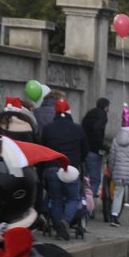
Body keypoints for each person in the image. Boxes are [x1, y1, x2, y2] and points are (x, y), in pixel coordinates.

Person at [41, 99, 90, 239]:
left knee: (55, 198)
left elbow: (43, 147)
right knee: (73, 198)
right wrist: (77, 161)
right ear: (69, 112)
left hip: (52, 168)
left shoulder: (48, 128)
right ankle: (66, 221)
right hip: (71, 168)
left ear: (55, 112)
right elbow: (85, 149)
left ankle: (58, 227)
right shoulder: (77, 128)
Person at [80, 97, 109, 191]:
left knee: (84, 179)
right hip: (94, 151)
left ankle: (82, 202)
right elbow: (97, 130)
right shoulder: (102, 116)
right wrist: (101, 146)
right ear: (105, 107)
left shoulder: (89, 115)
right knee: (95, 180)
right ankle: (89, 204)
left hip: (84, 150)